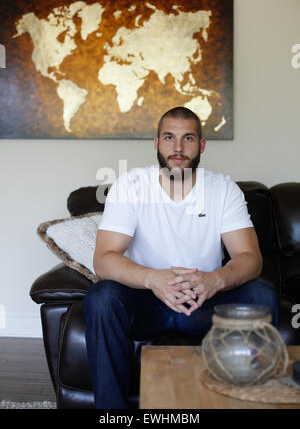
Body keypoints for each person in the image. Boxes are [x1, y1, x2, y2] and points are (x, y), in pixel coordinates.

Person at [83, 106, 279, 409]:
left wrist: (215, 279)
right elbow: (105, 259)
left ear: (201, 145)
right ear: (156, 143)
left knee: (261, 294)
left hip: (204, 302)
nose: (177, 148)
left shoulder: (223, 189)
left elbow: (249, 258)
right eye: (169, 138)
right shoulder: (131, 186)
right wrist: (153, 278)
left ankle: (252, 403)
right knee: (102, 296)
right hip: (146, 301)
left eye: (188, 138)